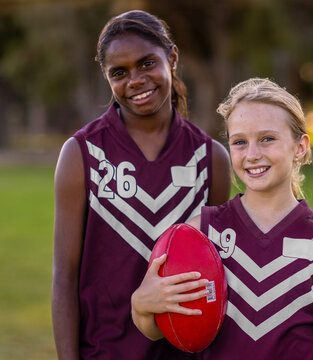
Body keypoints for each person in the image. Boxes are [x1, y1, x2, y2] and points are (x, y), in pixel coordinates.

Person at [51, 10, 231, 360]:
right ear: (106, 77)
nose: (135, 80)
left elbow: (218, 275)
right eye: (119, 73)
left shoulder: (211, 159)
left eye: (147, 63)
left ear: (172, 58)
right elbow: (63, 279)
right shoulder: (82, 154)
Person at [132, 78, 313, 360]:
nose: (252, 154)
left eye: (267, 139)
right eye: (239, 142)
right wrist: (140, 305)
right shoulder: (201, 232)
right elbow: (159, 328)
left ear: (300, 146)